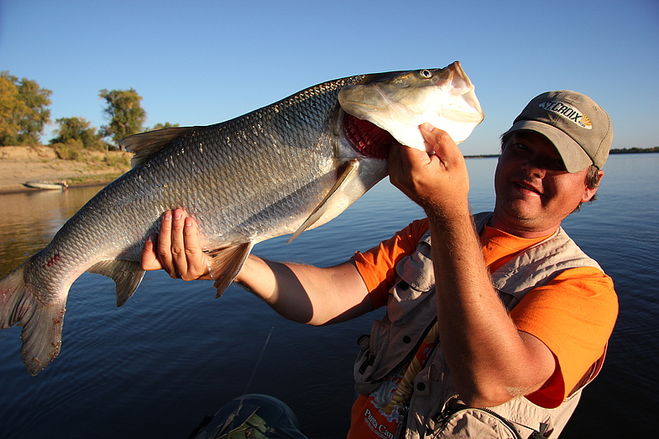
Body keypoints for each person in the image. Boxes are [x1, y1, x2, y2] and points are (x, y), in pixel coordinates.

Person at [142, 90, 618, 438]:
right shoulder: (426, 234)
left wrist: (448, 211)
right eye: (521, 147)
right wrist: (227, 262)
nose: (532, 167)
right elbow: (328, 297)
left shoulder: (583, 288)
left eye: (555, 160)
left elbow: (491, 381)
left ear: (590, 186)